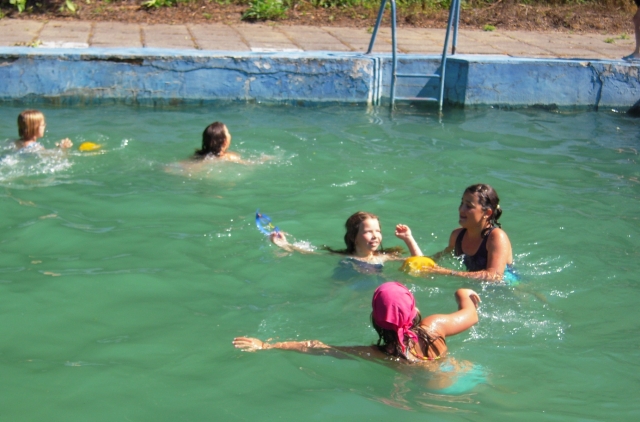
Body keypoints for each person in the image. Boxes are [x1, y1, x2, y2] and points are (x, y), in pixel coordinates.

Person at [233, 281, 480, 365]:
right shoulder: (434, 326)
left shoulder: (377, 354)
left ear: (375, 320)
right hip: (463, 376)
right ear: (414, 310)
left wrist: (267, 345)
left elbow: (316, 347)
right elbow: (471, 314)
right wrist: (463, 292)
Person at [405, 184, 513, 282]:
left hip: (508, 287)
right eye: (462, 203)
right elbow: (433, 260)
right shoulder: (457, 236)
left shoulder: (497, 237)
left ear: (487, 213)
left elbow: (494, 276)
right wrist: (402, 256)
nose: (461, 209)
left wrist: (447, 272)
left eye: (469, 206)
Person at [269, 211, 423, 268]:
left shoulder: (384, 257)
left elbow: (421, 263)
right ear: (353, 237)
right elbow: (308, 254)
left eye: (378, 231)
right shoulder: (344, 257)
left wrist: (408, 239)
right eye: (368, 232)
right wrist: (284, 244)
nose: (375, 236)